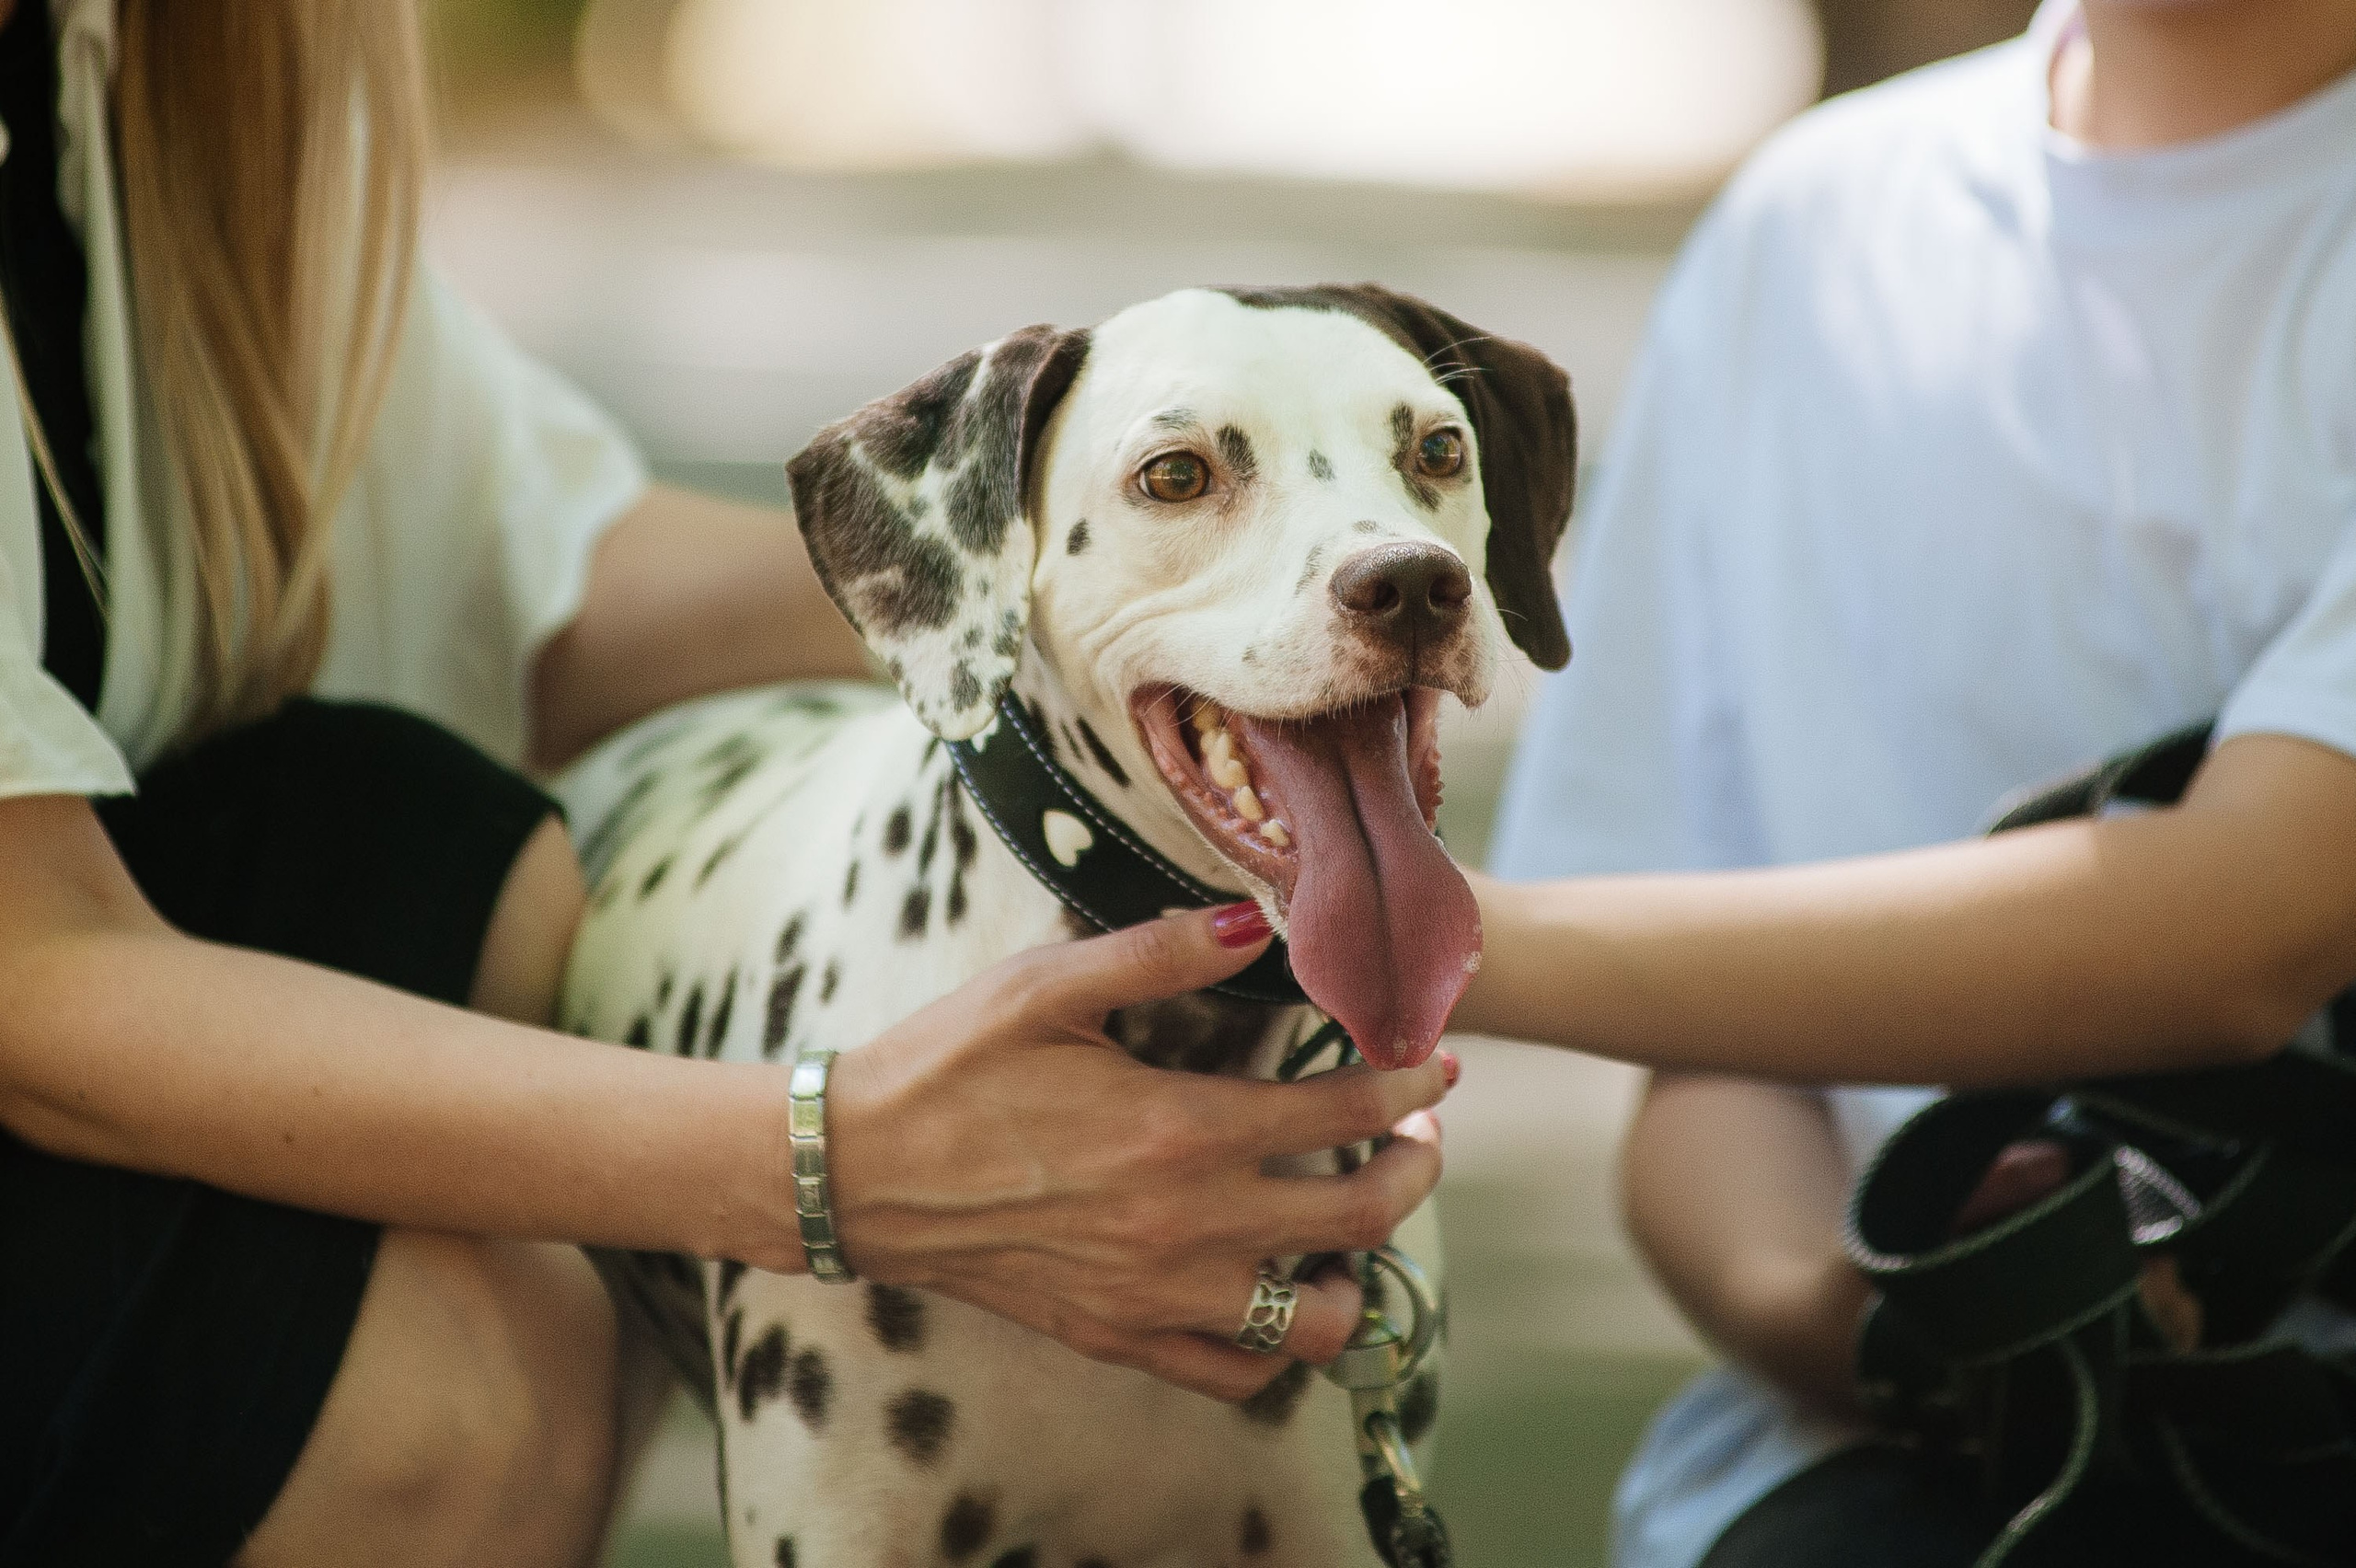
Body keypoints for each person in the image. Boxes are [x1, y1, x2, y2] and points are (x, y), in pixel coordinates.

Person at [0, 5, 1447, 1565]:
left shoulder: (139, 99)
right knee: (458, 1393)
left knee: (423, 846)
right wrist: (841, 1166)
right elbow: (34, 967)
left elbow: (553, 585)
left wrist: (1074, 565)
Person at [1460, 0, 2356, 1563]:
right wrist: (1863, 1327)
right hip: (1862, 1464)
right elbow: (1707, 1043)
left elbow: (2249, 930)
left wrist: (1414, 941)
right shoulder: (1807, 234)